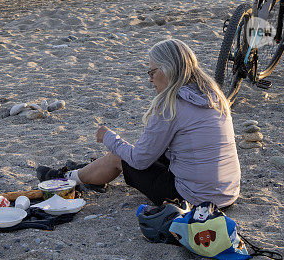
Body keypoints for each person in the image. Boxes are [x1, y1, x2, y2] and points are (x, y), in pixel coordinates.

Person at [38, 38, 240, 207]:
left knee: (118, 157)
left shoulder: (172, 104)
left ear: (168, 69)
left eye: (152, 72)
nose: (150, 80)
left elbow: (140, 159)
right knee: (145, 150)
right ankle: (89, 172)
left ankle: (67, 178)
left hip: (194, 199)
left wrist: (109, 137)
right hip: (227, 193)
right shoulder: (212, 94)